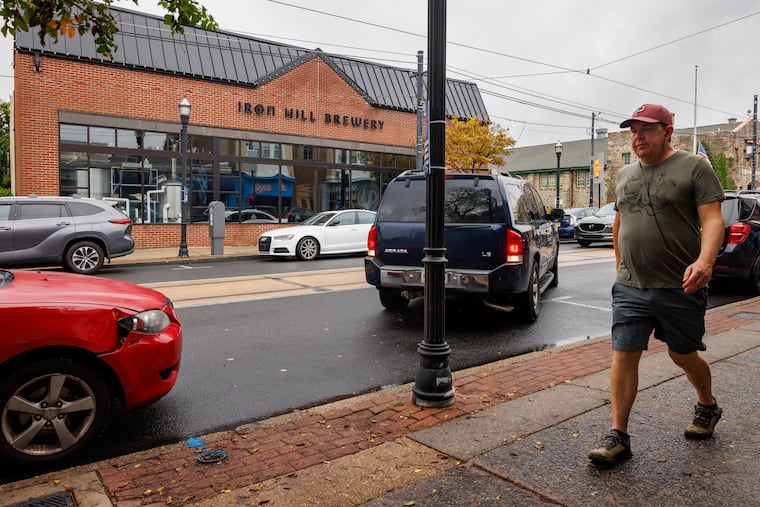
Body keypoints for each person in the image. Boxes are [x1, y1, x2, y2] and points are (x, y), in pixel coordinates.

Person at [587, 104, 725, 468]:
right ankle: (618, 435)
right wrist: (620, 269)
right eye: (633, 130)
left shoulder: (694, 167)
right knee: (624, 353)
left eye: (646, 130)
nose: (638, 137)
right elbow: (620, 223)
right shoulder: (625, 174)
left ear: (668, 131)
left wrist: (705, 261)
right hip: (632, 286)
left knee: (682, 353)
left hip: (680, 285)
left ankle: (707, 405)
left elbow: (712, 221)